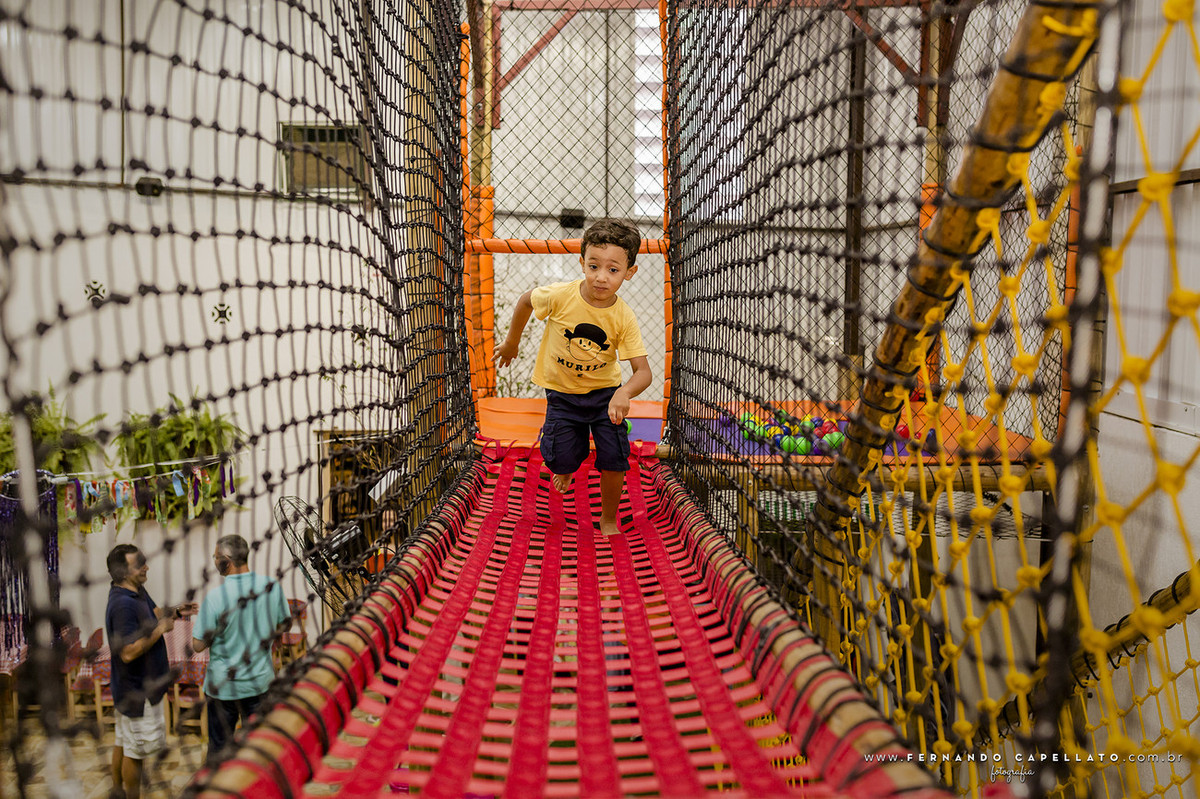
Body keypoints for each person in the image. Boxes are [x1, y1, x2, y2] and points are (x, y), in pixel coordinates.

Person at [494, 218, 652, 535]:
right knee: (560, 458)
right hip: (562, 396)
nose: (601, 277)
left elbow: (643, 372)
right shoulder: (561, 296)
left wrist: (624, 394)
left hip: (605, 396)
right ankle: (567, 465)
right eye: (593, 266)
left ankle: (608, 517)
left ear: (629, 273)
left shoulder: (623, 316)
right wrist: (512, 342)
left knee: (615, 457)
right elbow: (526, 299)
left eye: (613, 270)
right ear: (582, 263)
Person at [105, 543, 195, 799]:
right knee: (136, 753)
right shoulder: (122, 604)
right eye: (139, 563)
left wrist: (175, 612)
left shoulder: (136, 591)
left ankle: (116, 791)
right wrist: (159, 630)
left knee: (124, 742)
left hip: (133, 689)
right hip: (137, 691)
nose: (146, 566)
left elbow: (155, 613)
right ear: (124, 571)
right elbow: (128, 652)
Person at [192, 533, 291, 764]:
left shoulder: (216, 598)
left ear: (226, 559)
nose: (214, 561)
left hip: (223, 688)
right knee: (258, 748)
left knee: (219, 750)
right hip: (260, 682)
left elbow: (197, 645)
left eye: (216, 557)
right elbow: (286, 623)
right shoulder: (271, 586)